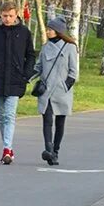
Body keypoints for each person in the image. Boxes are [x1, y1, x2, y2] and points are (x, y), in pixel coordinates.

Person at [0, 0, 35, 165]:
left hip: (15, 79)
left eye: (11, 16)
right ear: (0, 15)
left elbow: (30, 55)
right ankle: (8, 147)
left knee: (10, 115)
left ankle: (6, 148)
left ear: (16, 14)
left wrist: (26, 74)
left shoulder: (24, 32)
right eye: (5, 16)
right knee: (1, 115)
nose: (7, 19)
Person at [35, 17, 79, 166]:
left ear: (58, 31)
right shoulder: (45, 46)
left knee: (60, 123)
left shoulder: (70, 47)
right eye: (47, 28)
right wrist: (25, 78)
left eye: (50, 29)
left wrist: (65, 86)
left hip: (62, 92)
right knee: (47, 121)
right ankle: (48, 150)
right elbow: (38, 67)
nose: (47, 31)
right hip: (46, 91)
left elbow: (74, 72)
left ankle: (55, 152)